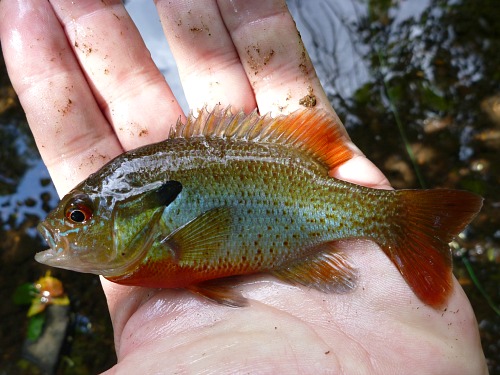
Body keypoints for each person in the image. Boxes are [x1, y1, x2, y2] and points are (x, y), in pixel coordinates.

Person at [0, 1, 488, 373]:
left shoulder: (159, 252)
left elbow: (203, 256)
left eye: (80, 217)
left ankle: (404, 220)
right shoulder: (149, 252)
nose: (67, 228)